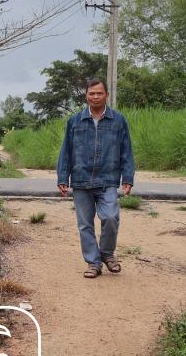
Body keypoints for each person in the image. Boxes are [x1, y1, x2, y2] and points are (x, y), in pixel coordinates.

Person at [56, 79, 135, 279]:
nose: (95, 97)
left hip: (108, 178)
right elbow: (66, 150)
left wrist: (128, 176)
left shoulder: (118, 120)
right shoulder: (75, 121)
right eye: (92, 93)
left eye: (99, 93)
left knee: (110, 217)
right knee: (85, 224)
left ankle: (107, 254)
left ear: (106, 95)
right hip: (81, 179)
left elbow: (126, 150)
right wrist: (63, 176)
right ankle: (93, 263)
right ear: (86, 95)